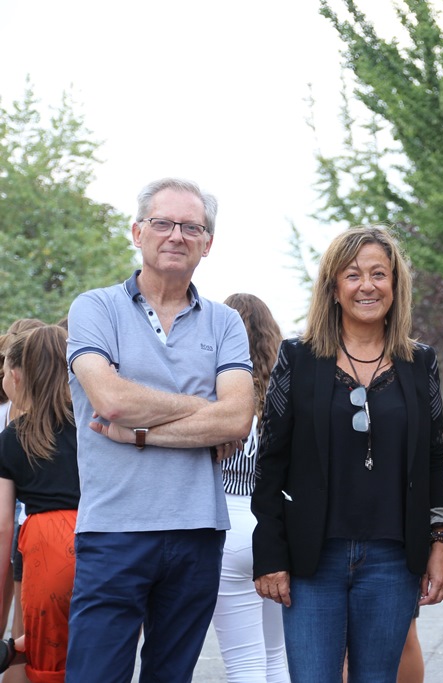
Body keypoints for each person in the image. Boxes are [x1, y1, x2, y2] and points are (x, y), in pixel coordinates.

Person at [65, 178, 254, 682]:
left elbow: (237, 418)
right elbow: (111, 400)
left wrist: (142, 433)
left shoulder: (225, 322)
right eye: (163, 223)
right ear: (137, 232)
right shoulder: (94, 308)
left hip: (198, 530)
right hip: (114, 531)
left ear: (207, 243)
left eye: (191, 226)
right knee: (93, 675)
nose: (176, 235)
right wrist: (201, 411)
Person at [251, 226, 443, 681]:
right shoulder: (297, 358)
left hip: (391, 561)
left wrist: (440, 543)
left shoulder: (419, 362)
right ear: (334, 288)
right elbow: (270, 464)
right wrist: (270, 556)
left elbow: (432, 459)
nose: (367, 285)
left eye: (379, 273)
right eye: (353, 274)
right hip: (311, 561)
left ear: (396, 285)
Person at [214, 293, 289, 682]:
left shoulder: (219, 391)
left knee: (243, 660)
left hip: (226, 521)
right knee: (276, 657)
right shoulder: (284, 392)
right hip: (274, 528)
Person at [0, 326, 80, 682]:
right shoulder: (96, 427)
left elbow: (3, 525)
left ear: (18, 374)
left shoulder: (14, 437)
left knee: (43, 662)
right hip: (102, 538)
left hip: (45, 546)